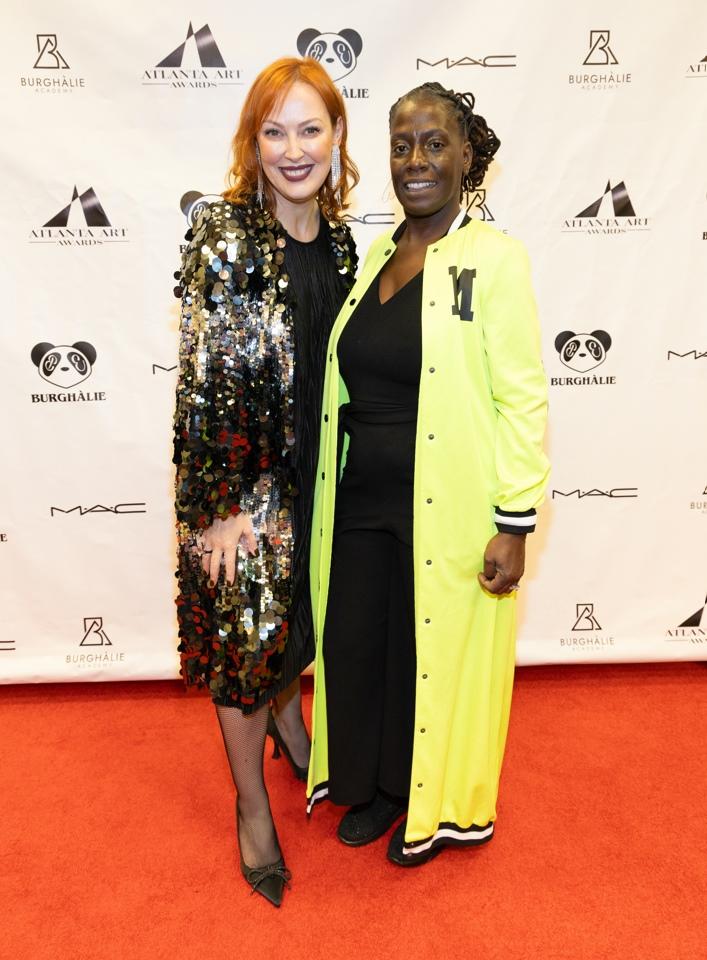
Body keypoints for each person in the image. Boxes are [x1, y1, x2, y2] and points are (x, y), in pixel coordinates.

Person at [306, 82, 549, 865]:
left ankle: (431, 805)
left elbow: (522, 398)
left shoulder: (494, 260)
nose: (416, 160)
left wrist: (514, 521)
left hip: (446, 503)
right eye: (402, 144)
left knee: (427, 654)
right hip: (358, 500)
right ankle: (376, 789)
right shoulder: (379, 252)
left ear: (466, 155)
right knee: (359, 646)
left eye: (435, 143)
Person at [172, 57, 357, 905]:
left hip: (325, 476)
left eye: (309, 128)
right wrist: (215, 509)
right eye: (274, 130)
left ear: (336, 136)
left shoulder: (349, 239)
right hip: (246, 490)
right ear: (252, 141)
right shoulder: (224, 232)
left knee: (305, 624)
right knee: (245, 648)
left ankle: (291, 719)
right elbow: (204, 375)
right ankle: (252, 808)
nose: (293, 148)